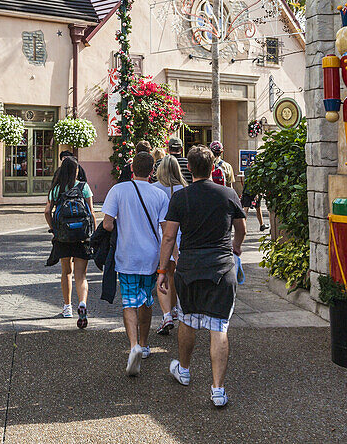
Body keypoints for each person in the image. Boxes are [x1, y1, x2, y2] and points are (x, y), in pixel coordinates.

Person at [157, 145, 247, 408]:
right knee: (219, 327)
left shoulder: (180, 198)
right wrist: (236, 246)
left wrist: (163, 270)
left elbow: (169, 237)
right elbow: (241, 228)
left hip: (190, 268)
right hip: (221, 267)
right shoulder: (228, 193)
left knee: (187, 320)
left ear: (190, 169)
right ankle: (218, 390)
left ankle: (183, 370)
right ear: (212, 168)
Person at [102, 151, 168, 376]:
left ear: (132, 169)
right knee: (147, 300)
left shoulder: (118, 190)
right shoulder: (159, 194)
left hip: (127, 255)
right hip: (151, 256)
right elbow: (165, 229)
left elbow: (107, 224)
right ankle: (145, 343)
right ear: (152, 171)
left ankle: (133, 346)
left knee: (129, 302)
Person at [44, 156, 95, 327]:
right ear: (77, 171)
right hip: (82, 236)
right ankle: (83, 303)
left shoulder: (56, 189)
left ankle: (67, 308)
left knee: (67, 272)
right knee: (81, 275)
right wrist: (92, 234)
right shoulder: (84, 187)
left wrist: (54, 229)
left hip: (63, 236)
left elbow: (46, 212)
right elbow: (92, 212)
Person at [152, 155, 187, 335]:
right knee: (174, 276)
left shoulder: (154, 189)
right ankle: (176, 310)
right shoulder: (184, 189)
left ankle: (167, 314)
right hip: (181, 238)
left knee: (163, 275)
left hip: (161, 238)